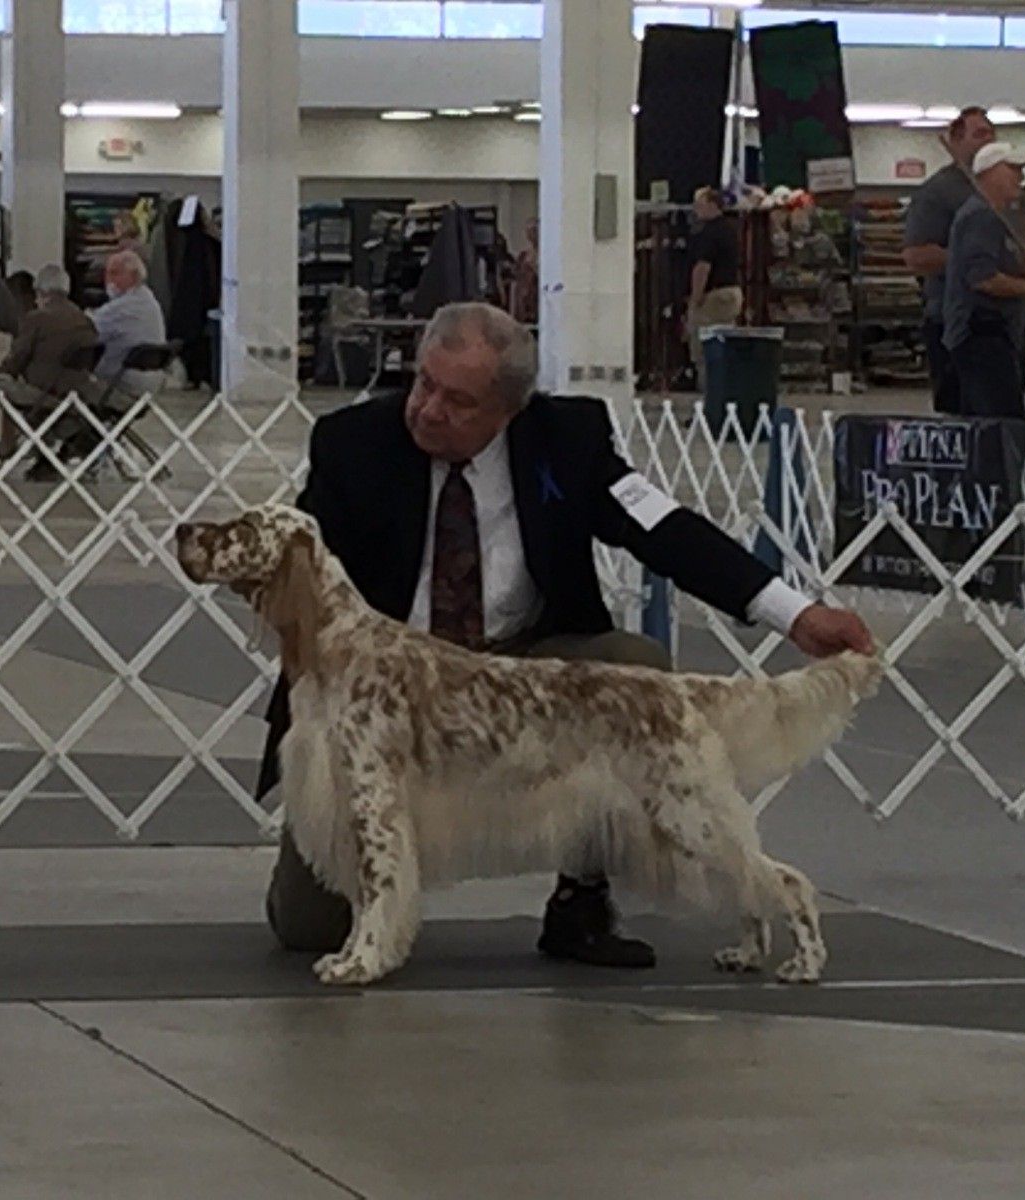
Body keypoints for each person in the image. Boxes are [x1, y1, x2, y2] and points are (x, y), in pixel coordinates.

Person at [261, 301, 875, 968]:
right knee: (307, 925)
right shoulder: (352, 443)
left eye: (458, 401)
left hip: (529, 671)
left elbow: (665, 530)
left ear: (510, 409)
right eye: (424, 384)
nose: (429, 410)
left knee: (628, 665)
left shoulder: (568, 438)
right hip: (393, 694)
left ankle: (581, 903)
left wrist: (797, 613)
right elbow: (303, 583)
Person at [0, 263, 99, 478]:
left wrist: (1, 371)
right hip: (75, 395)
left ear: (42, 293)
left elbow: (14, 362)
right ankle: (34, 454)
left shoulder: (37, 318)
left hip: (40, 393)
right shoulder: (85, 321)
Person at [941, 143, 1025, 420]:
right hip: (980, 335)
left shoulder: (999, 219)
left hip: (996, 335)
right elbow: (982, 278)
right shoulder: (981, 216)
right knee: (1001, 424)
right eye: (1013, 169)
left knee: (994, 421)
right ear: (990, 172)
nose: (1020, 177)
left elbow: (998, 266)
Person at [903, 106, 998, 414]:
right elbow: (915, 256)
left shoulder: (998, 191)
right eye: (980, 134)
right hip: (952, 320)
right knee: (959, 412)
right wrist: (969, 263)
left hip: (997, 320)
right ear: (957, 140)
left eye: (992, 133)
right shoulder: (938, 192)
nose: (989, 140)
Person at [685, 187, 742, 394]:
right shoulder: (730, 230)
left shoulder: (708, 233)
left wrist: (695, 298)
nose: (696, 209)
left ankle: (710, 403)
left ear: (711, 205)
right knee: (725, 349)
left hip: (713, 298)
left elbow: (703, 267)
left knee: (706, 352)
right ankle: (728, 399)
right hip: (732, 294)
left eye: (699, 204)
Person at [91, 250, 167, 395]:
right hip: (153, 379)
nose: (108, 280)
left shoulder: (123, 307)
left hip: (126, 380)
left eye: (115, 273)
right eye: (107, 273)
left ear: (133, 276)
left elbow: (87, 329)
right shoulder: (148, 300)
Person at [508, 217, 540, 325]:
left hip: (538, 302)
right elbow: (516, 280)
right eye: (529, 231)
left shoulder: (545, 255)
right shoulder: (523, 256)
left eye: (534, 230)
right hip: (522, 303)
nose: (531, 234)